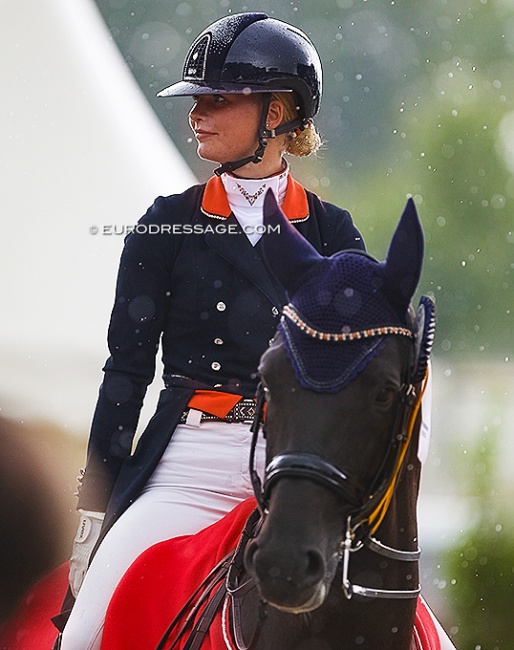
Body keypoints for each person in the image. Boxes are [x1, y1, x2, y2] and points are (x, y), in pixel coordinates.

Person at [56, 12, 365, 650]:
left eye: (219, 99)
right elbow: (126, 372)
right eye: (197, 99)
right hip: (188, 465)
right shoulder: (167, 225)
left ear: (277, 113)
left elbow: (359, 380)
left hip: (295, 474)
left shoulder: (334, 234)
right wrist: (96, 504)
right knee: (85, 634)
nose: (199, 113)